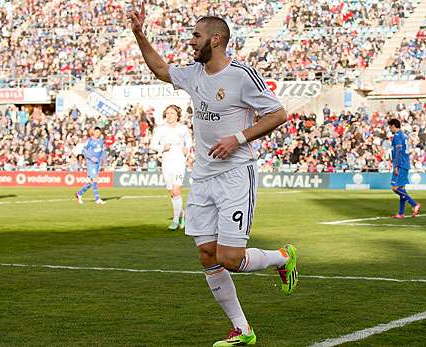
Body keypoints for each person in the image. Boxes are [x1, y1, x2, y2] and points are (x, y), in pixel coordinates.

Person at [128, 4, 298, 346]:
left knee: (230, 258)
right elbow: (161, 68)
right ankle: (243, 330)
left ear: (216, 40)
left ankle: (283, 257)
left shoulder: (241, 76)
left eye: (196, 35)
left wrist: (237, 139)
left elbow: (278, 114)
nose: (191, 41)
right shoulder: (193, 74)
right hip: (203, 178)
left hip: (236, 174)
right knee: (207, 255)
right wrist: (138, 33)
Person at [150, 105, 192, 231]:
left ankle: (175, 221)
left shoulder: (183, 128)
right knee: (171, 193)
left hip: (179, 161)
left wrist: (187, 149)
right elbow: (153, 145)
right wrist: (162, 148)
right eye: (167, 113)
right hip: (166, 162)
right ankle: (182, 215)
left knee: (176, 190)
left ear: (177, 115)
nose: (169, 115)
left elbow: (189, 141)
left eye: (172, 113)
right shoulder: (160, 129)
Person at [388, 119, 421, 218]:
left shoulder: (397, 136)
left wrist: (396, 165)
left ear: (394, 126)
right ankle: (401, 213)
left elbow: (398, 151)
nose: (390, 129)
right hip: (405, 163)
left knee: (395, 188)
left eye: (390, 127)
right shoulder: (403, 136)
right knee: (401, 188)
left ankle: (414, 204)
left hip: (401, 164)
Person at [75, 127, 106, 205]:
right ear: (93, 132)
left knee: (92, 182)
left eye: (98, 132)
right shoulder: (90, 141)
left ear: (100, 133)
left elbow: (102, 152)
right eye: (96, 132)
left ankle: (79, 193)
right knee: (94, 180)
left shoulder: (101, 142)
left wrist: (104, 161)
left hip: (97, 163)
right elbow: (83, 151)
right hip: (91, 162)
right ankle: (97, 199)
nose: (97, 133)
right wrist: (91, 158)